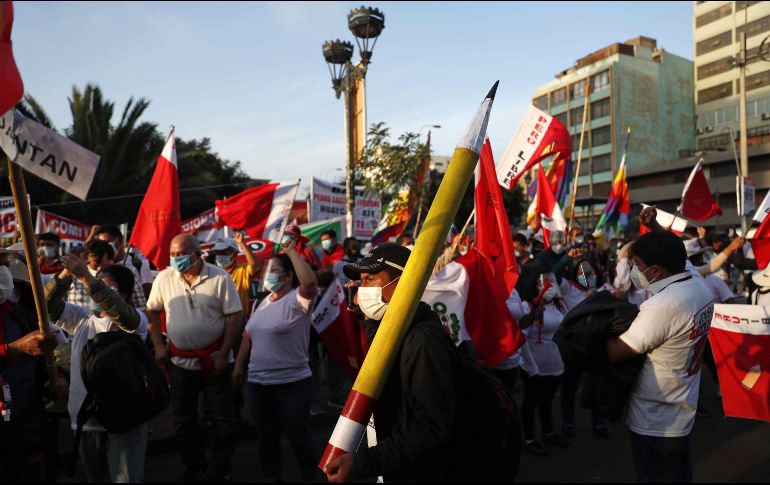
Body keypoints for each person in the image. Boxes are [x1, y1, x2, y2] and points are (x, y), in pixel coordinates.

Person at [323, 243, 462, 482]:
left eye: (369, 279)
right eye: (361, 280)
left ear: (404, 282)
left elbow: (430, 431)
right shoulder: (395, 329)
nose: (360, 288)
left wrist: (362, 463)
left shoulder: (424, 342)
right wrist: (368, 318)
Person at [607, 230, 714, 483]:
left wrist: (599, 324)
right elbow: (679, 255)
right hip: (682, 411)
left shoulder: (663, 306)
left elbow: (615, 352)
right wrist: (654, 225)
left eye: (639, 266)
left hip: (655, 419)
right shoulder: (696, 282)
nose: (635, 271)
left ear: (655, 272)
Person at [146, 234, 242, 482]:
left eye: (182, 253)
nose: (177, 259)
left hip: (215, 361)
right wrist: (158, 345)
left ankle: (221, 468)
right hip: (180, 364)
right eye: (173, 254)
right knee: (184, 420)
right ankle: (194, 466)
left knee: (222, 419)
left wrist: (223, 354)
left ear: (198, 253)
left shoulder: (220, 277)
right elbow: (153, 311)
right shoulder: (165, 278)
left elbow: (234, 316)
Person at [46, 255, 149, 483]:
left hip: (124, 418)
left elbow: (123, 314)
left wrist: (85, 276)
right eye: (96, 283)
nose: (94, 291)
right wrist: (66, 275)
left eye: (105, 286)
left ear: (122, 294)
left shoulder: (136, 321)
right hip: (86, 421)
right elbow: (48, 307)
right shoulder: (82, 319)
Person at [232, 235, 319, 482]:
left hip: (292, 384)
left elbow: (310, 284)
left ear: (288, 276)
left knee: (298, 437)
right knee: (266, 439)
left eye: (273, 270)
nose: (266, 274)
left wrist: (291, 252)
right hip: (258, 385)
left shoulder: (298, 301)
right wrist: (239, 367)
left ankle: (310, 477)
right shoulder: (262, 303)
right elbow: (248, 335)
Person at [0, 264, 61, 482]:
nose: (2, 271)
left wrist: (56, 378)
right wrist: (11, 351)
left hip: (24, 429)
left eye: (3, 264)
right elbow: (15, 352)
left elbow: (44, 361)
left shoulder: (20, 315)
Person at [518, 273, 569, 456]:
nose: (549, 286)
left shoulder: (557, 305)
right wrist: (531, 368)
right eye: (543, 283)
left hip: (554, 364)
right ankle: (529, 439)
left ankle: (548, 433)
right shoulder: (527, 307)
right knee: (531, 402)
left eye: (551, 282)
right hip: (534, 365)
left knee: (546, 400)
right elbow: (522, 339)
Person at [94, 225, 154, 299]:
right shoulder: (97, 266)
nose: (104, 247)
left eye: (107, 242)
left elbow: (148, 296)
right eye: (102, 244)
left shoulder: (138, 265)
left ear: (120, 240)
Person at [211, 233, 261, 320]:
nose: (220, 256)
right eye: (217, 253)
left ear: (235, 255)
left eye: (224, 252)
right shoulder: (211, 272)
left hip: (238, 321)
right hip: (217, 321)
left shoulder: (242, 269)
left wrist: (242, 244)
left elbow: (255, 266)